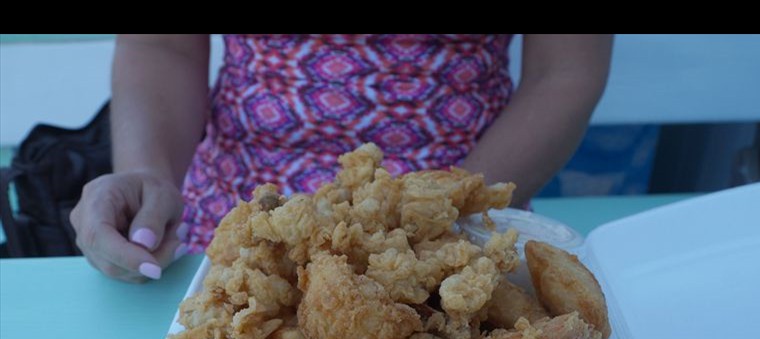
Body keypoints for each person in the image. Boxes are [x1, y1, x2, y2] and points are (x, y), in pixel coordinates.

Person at [69, 34, 613, 282]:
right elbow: (163, 45)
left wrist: (435, 218)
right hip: (237, 220)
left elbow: (562, 74)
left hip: (462, 220)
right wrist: (148, 174)